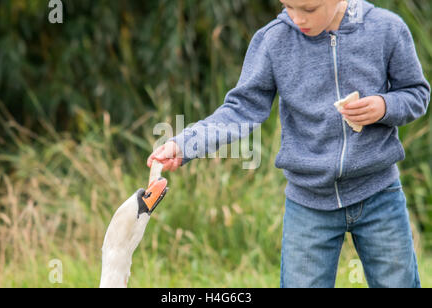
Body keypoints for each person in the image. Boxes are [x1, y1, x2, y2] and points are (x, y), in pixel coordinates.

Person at [147, 0, 430, 288]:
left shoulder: (386, 29)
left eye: (308, 10)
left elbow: (416, 93)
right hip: (309, 203)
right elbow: (240, 110)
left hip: (379, 193)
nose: (296, 19)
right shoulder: (274, 40)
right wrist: (185, 144)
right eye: (288, 7)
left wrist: (385, 106)